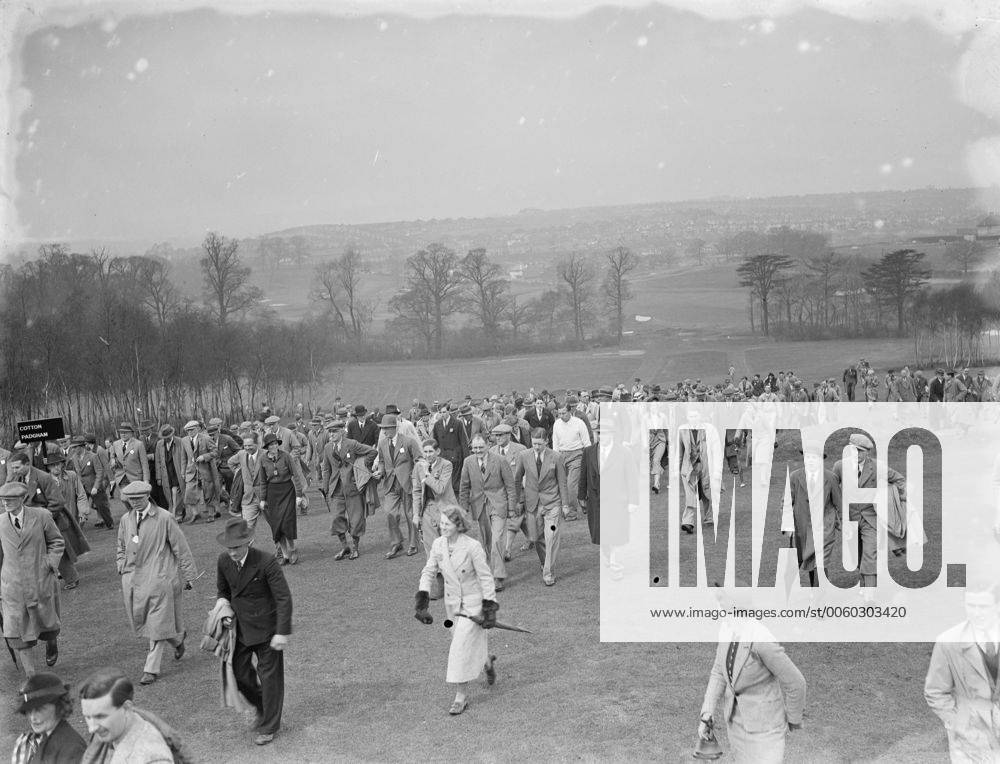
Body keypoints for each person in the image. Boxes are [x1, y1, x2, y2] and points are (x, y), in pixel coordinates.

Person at [698, 591, 806, 763]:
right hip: (736, 725)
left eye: (723, 608)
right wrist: (707, 711)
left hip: (766, 730)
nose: (719, 613)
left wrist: (793, 720)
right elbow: (718, 671)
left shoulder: (762, 640)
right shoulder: (727, 628)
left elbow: (796, 682)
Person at [414, 505, 498, 716]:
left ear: (459, 525)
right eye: (441, 523)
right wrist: (422, 600)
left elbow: (486, 577)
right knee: (461, 643)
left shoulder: (473, 547)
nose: (442, 527)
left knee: (459, 648)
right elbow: (429, 571)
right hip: (452, 605)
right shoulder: (438, 545)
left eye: (447, 524)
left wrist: (489, 608)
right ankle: (486, 661)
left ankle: (461, 696)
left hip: (473, 604)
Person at [215, 517, 292, 747]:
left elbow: (283, 597)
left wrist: (282, 631)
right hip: (240, 630)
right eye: (229, 548)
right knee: (238, 674)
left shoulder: (266, 561)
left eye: (236, 548)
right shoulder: (223, 561)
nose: (232, 553)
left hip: (268, 631)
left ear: (248, 542)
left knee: (270, 679)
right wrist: (223, 607)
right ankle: (262, 706)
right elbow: (222, 591)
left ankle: (269, 726)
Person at [116, 481, 199, 685]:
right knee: (150, 622)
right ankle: (177, 640)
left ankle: (150, 669)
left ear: (148, 497)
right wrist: (121, 565)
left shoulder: (164, 517)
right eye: (131, 499)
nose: (135, 502)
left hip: (161, 579)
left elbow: (181, 547)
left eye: (139, 498)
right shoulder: (126, 520)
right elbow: (120, 545)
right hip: (134, 581)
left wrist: (190, 575)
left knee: (156, 623)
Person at [925, 581, 1000, 762]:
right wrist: (957, 722)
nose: (976, 613)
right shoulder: (949, 641)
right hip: (969, 738)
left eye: (983, 607)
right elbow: (934, 691)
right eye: (971, 606)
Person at [0, 481, 64, 675]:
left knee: (48, 623)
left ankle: (51, 642)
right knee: (17, 632)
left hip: (40, 579)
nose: (6, 504)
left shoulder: (41, 515)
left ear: (22, 498)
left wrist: (50, 563)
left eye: (10, 499)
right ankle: (31, 677)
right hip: (13, 584)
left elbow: (56, 541)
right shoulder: (1, 522)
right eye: (3, 500)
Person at [831, 433, 905, 598]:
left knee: (870, 552)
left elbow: (899, 480)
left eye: (861, 451)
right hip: (849, 518)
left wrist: (896, 500)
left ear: (868, 452)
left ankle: (869, 593)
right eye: (854, 450)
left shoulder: (877, 467)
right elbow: (832, 489)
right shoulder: (839, 466)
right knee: (855, 554)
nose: (857, 454)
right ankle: (863, 582)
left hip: (871, 517)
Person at [78, 667, 178, 763]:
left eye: (100, 716)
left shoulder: (151, 757)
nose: (92, 728)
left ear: (126, 708)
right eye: (88, 717)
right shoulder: (113, 735)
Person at [513, 428, 570, 587]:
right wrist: (518, 500)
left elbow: (562, 482)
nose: (536, 447)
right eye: (534, 443)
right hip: (532, 505)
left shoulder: (556, 457)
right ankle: (545, 562)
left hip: (552, 504)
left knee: (551, 537)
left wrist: (565, 504)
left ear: (546, 441)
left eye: (539, 443)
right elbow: (517, 479)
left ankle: (548, 572)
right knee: (536, 538)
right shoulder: (524, 456)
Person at [459, 434, 516, 591]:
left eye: (481, 447)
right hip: (479, 506)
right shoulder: (468, 462)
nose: (478, 450)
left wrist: (511, 508)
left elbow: (510, 486)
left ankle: (498, 577)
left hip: (498, 504)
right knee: (485, 541)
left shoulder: (499, 460)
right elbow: (464, 486)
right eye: (475, 448)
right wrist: (463, 508)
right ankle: (488, 572)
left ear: (487, 446)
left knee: (497, 539)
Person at [787, 439, 841, 588]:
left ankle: (819, 602)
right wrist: (788, 526)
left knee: (820, 563)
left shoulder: (830, 478)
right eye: (807, 457)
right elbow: (786, 502)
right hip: (801, 528)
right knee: (802, 560)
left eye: (814, 458)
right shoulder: (794, 477)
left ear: (820, 460)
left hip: (824, 529)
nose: (810, 461)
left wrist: (846, 526)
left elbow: (839, 503)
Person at [320, 419, 376, 560]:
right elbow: (326, 469)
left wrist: (361, 464)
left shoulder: (351, 444)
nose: (331, 434)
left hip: (353, 487)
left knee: (356, 519)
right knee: (336, 518)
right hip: (336, 489)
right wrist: (326, 488)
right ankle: (344, 547)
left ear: (341, 432)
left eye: (334, 431)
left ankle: (355, 548)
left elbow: (372, 452)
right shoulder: (327, 448)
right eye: (330, 432)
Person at [411, 439, 457, 600]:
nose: (428, 455)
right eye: (425, 452)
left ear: (437, 452)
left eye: (431, 451)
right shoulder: (418, 467)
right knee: (432, 550)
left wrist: (427, 474)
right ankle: (441, 586)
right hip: (428, 510)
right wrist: (416, 514)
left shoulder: (446, 465)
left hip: (446, 510)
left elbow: (440, 488)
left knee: (450, 548)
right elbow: (416, 491)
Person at [373, 414, 423, 559]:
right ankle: (397, 542)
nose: (384, 431)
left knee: (410, 514)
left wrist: (416, 477)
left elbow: (419, 460)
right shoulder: (382, 443)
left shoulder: (409, 441)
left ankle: (413, 544)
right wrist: (380, 471)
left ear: (394, 428)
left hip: (408, 484)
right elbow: (382, 461)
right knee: (390, 513)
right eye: (382, 429)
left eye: (386, 429)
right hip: (390, 484)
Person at [10, 671, 87, 763]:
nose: (32, 717)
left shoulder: (71, 749)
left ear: (59, 706)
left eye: (39, 709)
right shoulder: (47, 737)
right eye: (29, 710)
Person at [41, 453, 91, 591]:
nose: (56, 467)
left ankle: (68, 574)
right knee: (60, 544)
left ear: (63, 463)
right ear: (48, 467)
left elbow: (80, 494)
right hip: (54, 517)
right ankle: (65, 572)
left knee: (67, 543)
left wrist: (83, 511)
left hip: (70, 514)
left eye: (58, 464)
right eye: (52, 465)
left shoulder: (71, 476)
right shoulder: (45, 480)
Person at [256, 433, 307, 565]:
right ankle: (285, 555)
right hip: (272, 493)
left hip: (287, 491)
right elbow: (263, 481)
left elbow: (295, 475)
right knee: (277, 525)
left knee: (287, 523)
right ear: (267, 447)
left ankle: (292, 549)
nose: (274, 446)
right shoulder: (263, 459)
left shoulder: (286, 456)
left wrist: (299, 495)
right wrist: (262, 499)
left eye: (275, 443)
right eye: (271, 444)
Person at [551, 401, 591, 522]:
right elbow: (555, 442)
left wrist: (589, 458)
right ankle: (582, 502)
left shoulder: (579, 423)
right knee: (562, 484)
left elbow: (587, 442)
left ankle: (572, 512)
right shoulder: (557, 424)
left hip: (577, 455)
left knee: (571, 485)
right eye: (559, 413)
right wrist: (555, 458)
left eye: (563, 413)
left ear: (570, 412)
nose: (561, 415)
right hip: (561, 456)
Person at [181, 420, 222, 524]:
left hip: (206, 470)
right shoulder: (184, 441)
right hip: (191, 471)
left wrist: (205, 456)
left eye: (192, 430)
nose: (190, 432)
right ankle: (195, 514)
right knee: (189, 494)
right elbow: (183, 458)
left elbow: (215, 452)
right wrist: (183, 471)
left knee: (208, 492)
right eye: (188, 430)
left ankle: (211, 514)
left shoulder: (206, 438)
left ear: (198, 429)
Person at [229, 433, 264, 535]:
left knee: (275, 524)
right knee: (247, 529)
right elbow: (230, 462)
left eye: (250, 445)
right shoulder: (241, 454)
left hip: (266, 497)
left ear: (257, 444)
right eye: (245, 446)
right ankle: (246, 551)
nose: (247, 448)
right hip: (248, 498)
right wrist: (238, 473)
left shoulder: (265, 454)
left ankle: (281, 549)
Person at [152, 425, 186, 520]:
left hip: (177, 472)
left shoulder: (180, 442)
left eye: (167, 437)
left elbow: (184, 458)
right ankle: (175, 512)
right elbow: (158, 461)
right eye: (164, 438)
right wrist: (159, 477)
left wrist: (183, 472)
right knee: (169, 495)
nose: (165, 439)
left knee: (176, 493)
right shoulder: (159, 444)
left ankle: (177, 514)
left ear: (172, 434)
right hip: (165, 474)